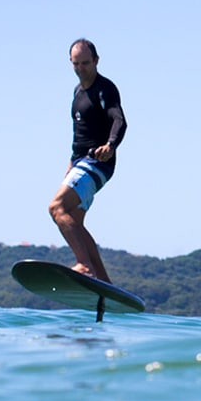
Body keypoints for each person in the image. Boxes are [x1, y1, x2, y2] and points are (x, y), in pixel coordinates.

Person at [48, 39, 126, 284]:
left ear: (96, 61)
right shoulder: (77, 93)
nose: (81, 68)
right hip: (80, 162)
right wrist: (70, 164)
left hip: (98, 162)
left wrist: (110, 145)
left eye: (85, 63)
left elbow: (119, 119)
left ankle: (84, 265)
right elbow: (79, 135)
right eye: (76, 64)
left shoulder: (105, 89)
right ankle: (103, 281)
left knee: (56, 207)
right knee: (74, 221)